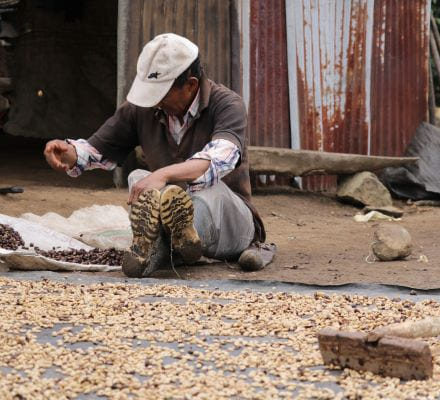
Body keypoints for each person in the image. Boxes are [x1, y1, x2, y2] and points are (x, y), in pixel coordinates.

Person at [43, 33, 275, 277]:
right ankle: (169, 242)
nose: (154, 102)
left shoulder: (227, 104)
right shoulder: (142, 109)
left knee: (210, 191)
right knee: (139, 177)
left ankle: (170, 244)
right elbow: (97, 151)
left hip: (231, 222)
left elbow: (219, 159)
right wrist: (68, 152)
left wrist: (163, 174)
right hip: (168, 209)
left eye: (162, 94)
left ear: (191, 85)